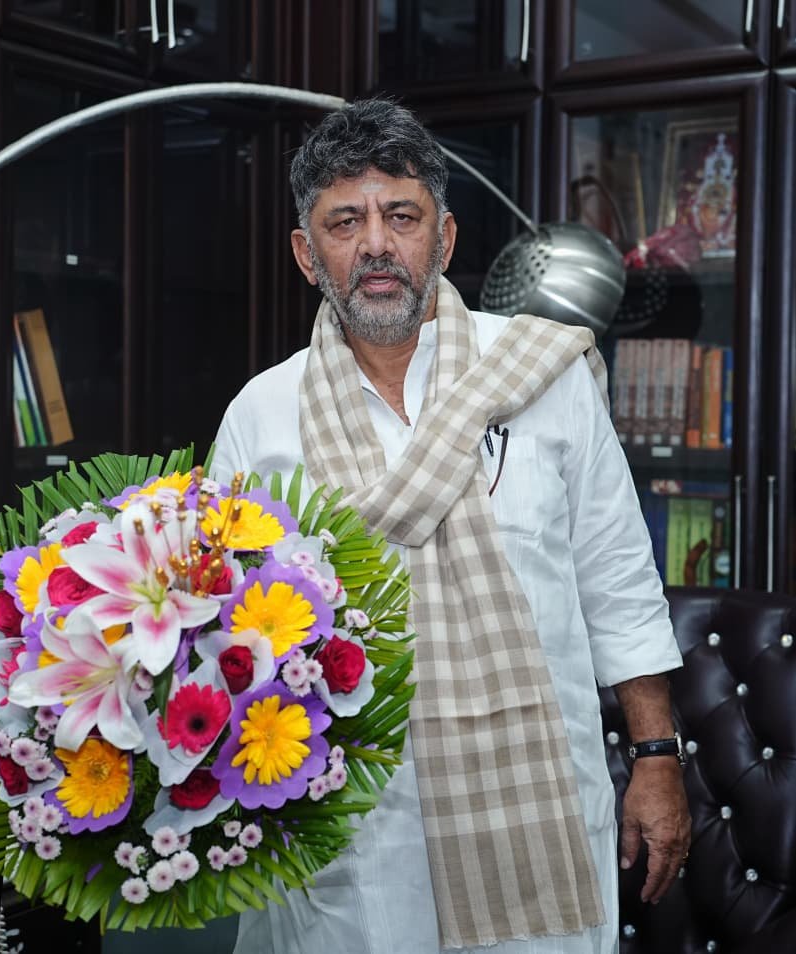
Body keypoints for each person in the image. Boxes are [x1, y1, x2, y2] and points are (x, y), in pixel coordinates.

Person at [211, 98, 691, 954]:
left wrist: (656, 756)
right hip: (350, 819)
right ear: (304, 252)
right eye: (344, 221)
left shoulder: (542, 373)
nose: (376, 246)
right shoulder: (263, 413)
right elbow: (221, 624)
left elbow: (615, 578)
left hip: (531, 799)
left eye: (402, 216)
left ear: (445, 239)